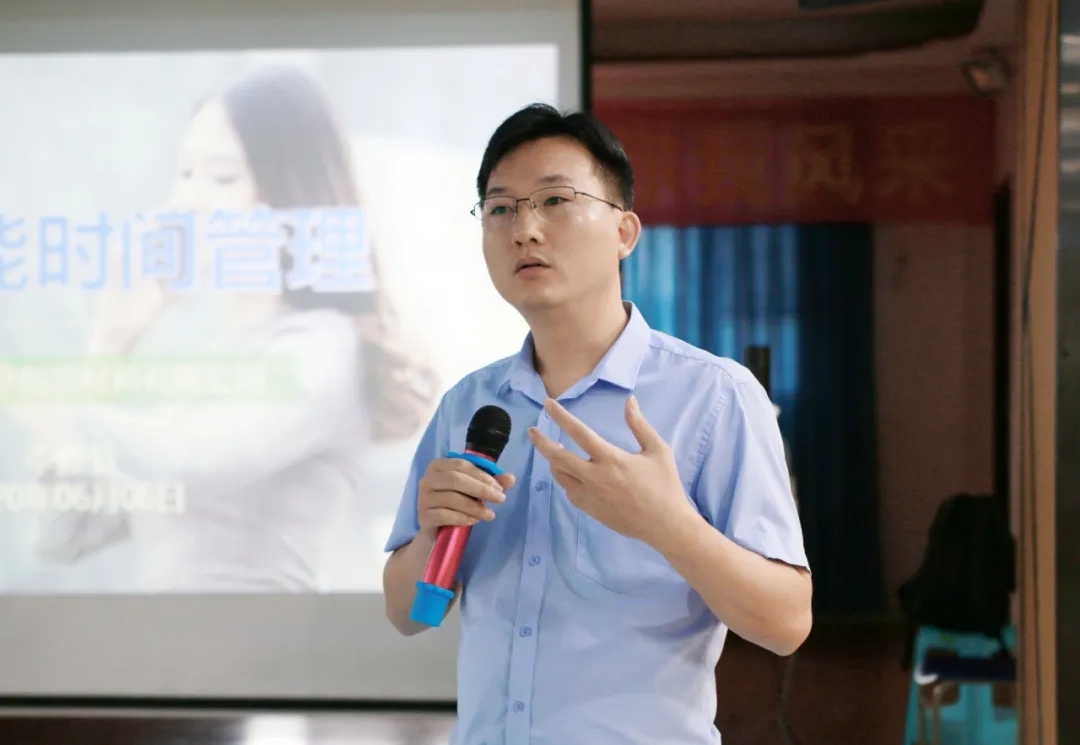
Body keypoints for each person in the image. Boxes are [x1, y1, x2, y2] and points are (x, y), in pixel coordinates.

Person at [382, 104, 812, 744]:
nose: (524, 229)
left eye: (555, 200)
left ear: (625, 231)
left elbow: (786, 624)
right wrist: (429, 536)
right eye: (499, 209)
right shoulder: (469, 404)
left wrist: (668, 526)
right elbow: (405, 613)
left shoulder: (714, 396)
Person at [32, 66, 438, 592]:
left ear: (290, 193)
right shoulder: (219, 354)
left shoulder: (321, 348)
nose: (189, 200)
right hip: (165, 642)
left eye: (222, 178)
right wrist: (110, 342)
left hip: (262, 642)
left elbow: (187, 463)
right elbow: (65, 535)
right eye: (185, 172)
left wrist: (54, 406)